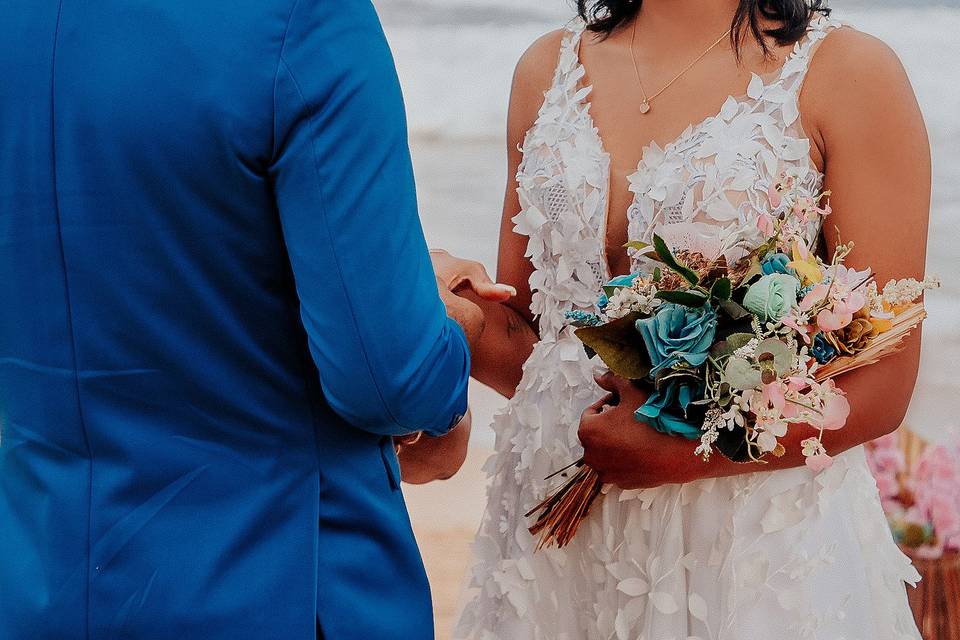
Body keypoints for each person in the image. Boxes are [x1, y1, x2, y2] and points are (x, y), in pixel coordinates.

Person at [0, 1, 504, 638]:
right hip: (276, 584)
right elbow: (389, 380)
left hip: (40, 585)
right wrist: (452, 321)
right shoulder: (305, 18)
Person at [451, 0, 931, 637]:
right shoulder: (547, 69)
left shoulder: (848, 72)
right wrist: (447, 305)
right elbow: (539, 346)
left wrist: (685, 457)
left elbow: (884, 380)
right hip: (551, 538)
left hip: (745, 548)